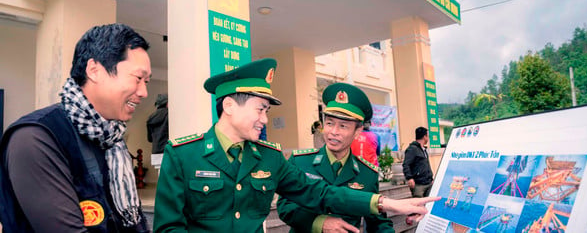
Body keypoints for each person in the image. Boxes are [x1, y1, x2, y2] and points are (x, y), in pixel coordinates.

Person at [153, 58, 439, 232]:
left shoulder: (270, 158)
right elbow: (168, 227)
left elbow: (322, 193)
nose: (265, 119)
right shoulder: (183, 155)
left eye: (267, 111)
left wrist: (386, 203)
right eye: (260, 109)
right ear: (229, 105)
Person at [0, 23, 151, 232]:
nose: (144, 92)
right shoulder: (35, 138)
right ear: (94, 71)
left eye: (147, 82)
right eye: (138, 78)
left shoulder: (111, 139)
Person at [277, 83, 393, 233]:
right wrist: (319, 222)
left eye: (343, 126)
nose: (333, 132)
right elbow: (285, 206)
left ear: (358, 131)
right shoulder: (300, 161)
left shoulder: (367, 173)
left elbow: (378, 222)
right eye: (329, 123)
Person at [403, 127, 434, 198]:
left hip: (428, 183)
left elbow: (426, 166)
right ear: (424, 137)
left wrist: (431, 178)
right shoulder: (412, 149)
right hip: (418, 185)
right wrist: (409, 178)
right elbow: (406, 165)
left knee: (428, 204)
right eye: (428, 136)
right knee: (418, 206)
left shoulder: (423, 150)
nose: (428, 138)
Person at [147, 94, 169, 168]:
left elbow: (150, 139)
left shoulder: (150, 117)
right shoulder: (170, 114)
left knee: (160, 177)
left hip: (155, 152)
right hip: (167, 151)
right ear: (167, 103)